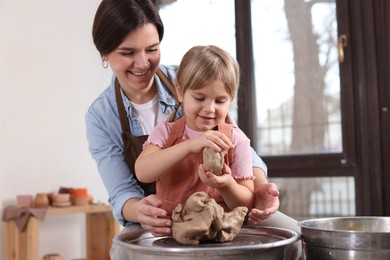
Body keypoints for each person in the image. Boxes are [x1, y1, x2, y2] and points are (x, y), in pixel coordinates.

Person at [85, 0, 302, 259]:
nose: (143, 63)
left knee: (295, 238)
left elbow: (239, 147)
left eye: (152, 49)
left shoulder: (192, 78)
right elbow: (123, 191)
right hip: (160, 215)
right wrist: (140, 211)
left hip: (222, 205)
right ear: (104, 53)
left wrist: (261, 191)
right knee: (122, 252)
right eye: (128, 52)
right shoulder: (101, 115)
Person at [135, 45, 255, 216]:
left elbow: (247, 205)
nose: (209, 108)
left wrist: (226, 184)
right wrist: (190, 146)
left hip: (219, 234)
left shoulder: (236, 140)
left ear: (231, 100)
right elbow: (142, 172)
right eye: (200, 98)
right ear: (180, 92)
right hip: (171, 231)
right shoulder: (165, 132)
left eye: (220, 101)